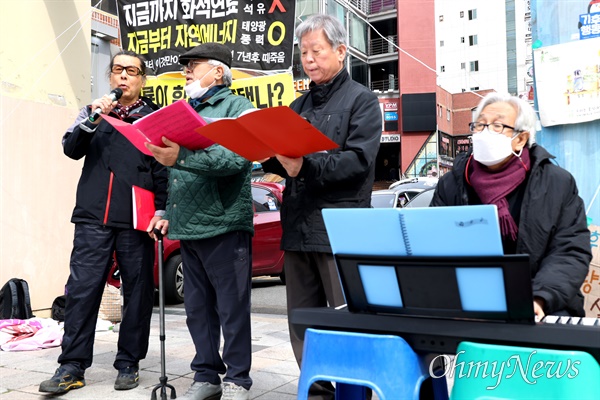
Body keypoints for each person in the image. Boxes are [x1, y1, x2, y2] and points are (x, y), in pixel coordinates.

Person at [260, 14, 382, 400]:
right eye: (303, 52)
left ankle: (355, 392)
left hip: (340, 230)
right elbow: (286, 158)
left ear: (341, 51)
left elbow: (358, 161)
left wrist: (304, 166)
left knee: (346, 319)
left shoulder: (362, 100)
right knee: (302, 320)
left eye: (317, 50)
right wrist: (267, 154)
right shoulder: (296, 105)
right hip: (297, 226)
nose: (309, 59)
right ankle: (316, 392)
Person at [39, 51, 168, 394]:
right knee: (82, 291)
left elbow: (163, 170)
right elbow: (71, 148)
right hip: (93, 216)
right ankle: (71, 365)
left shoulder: (152, 117)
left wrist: (163, 210)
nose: (123, 77)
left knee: (138, 292)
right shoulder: (93, 112)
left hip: (136, 217)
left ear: (142, 79)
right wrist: (95, 118)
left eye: (131, 71)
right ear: (110, 76)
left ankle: (128, 362)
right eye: (117, 70)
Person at [146, 42, 255, 400]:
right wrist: (164, 211)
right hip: (187, 226)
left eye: (194, 65)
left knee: (232, 309)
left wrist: (181, 156)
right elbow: (174, 173)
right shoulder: (183, 110)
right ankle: (206, 376)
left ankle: (238, 378)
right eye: (186, 67)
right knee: (197, 310)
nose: (187, 72)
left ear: (218, 71)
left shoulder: (238, 108)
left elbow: (235, 161)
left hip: (224, 223)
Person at [431, 92, 591, 318]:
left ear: (521, 138)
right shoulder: (452, 183)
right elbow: (433, 244)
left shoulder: (557, 183)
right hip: (470, 309)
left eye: (497, 126)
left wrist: (539, 297)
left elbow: (570, 250)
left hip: (544, 306)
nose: (486, 132)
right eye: (480, 125)